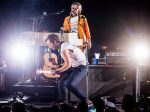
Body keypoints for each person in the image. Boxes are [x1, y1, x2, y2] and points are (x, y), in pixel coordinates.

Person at [45, 34, 87, 102]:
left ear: (55, 41)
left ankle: (86, 101)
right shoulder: (64, 45)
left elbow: (68, 65)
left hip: (81, 67)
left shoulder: (63, 49)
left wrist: (57, 71)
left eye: (50, 44)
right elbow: (69, 61)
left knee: (70, 84)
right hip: (74, 67)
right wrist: (58, 66)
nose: (49, 47)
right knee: (61, 82)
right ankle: (62, 102)